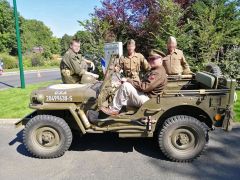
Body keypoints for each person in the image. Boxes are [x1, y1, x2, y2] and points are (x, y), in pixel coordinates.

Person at [101, 49, 167, 116]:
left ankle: (114, 110)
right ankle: (117, 111)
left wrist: (129, 80)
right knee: (122, 98)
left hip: (149, 100)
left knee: (126, 86)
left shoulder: (158, 73)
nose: (150, 61)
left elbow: (144, 87)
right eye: (149, 59)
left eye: (153, 59)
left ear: (161, 59)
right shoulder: (155, 70)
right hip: (147, 97)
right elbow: (143, 83)